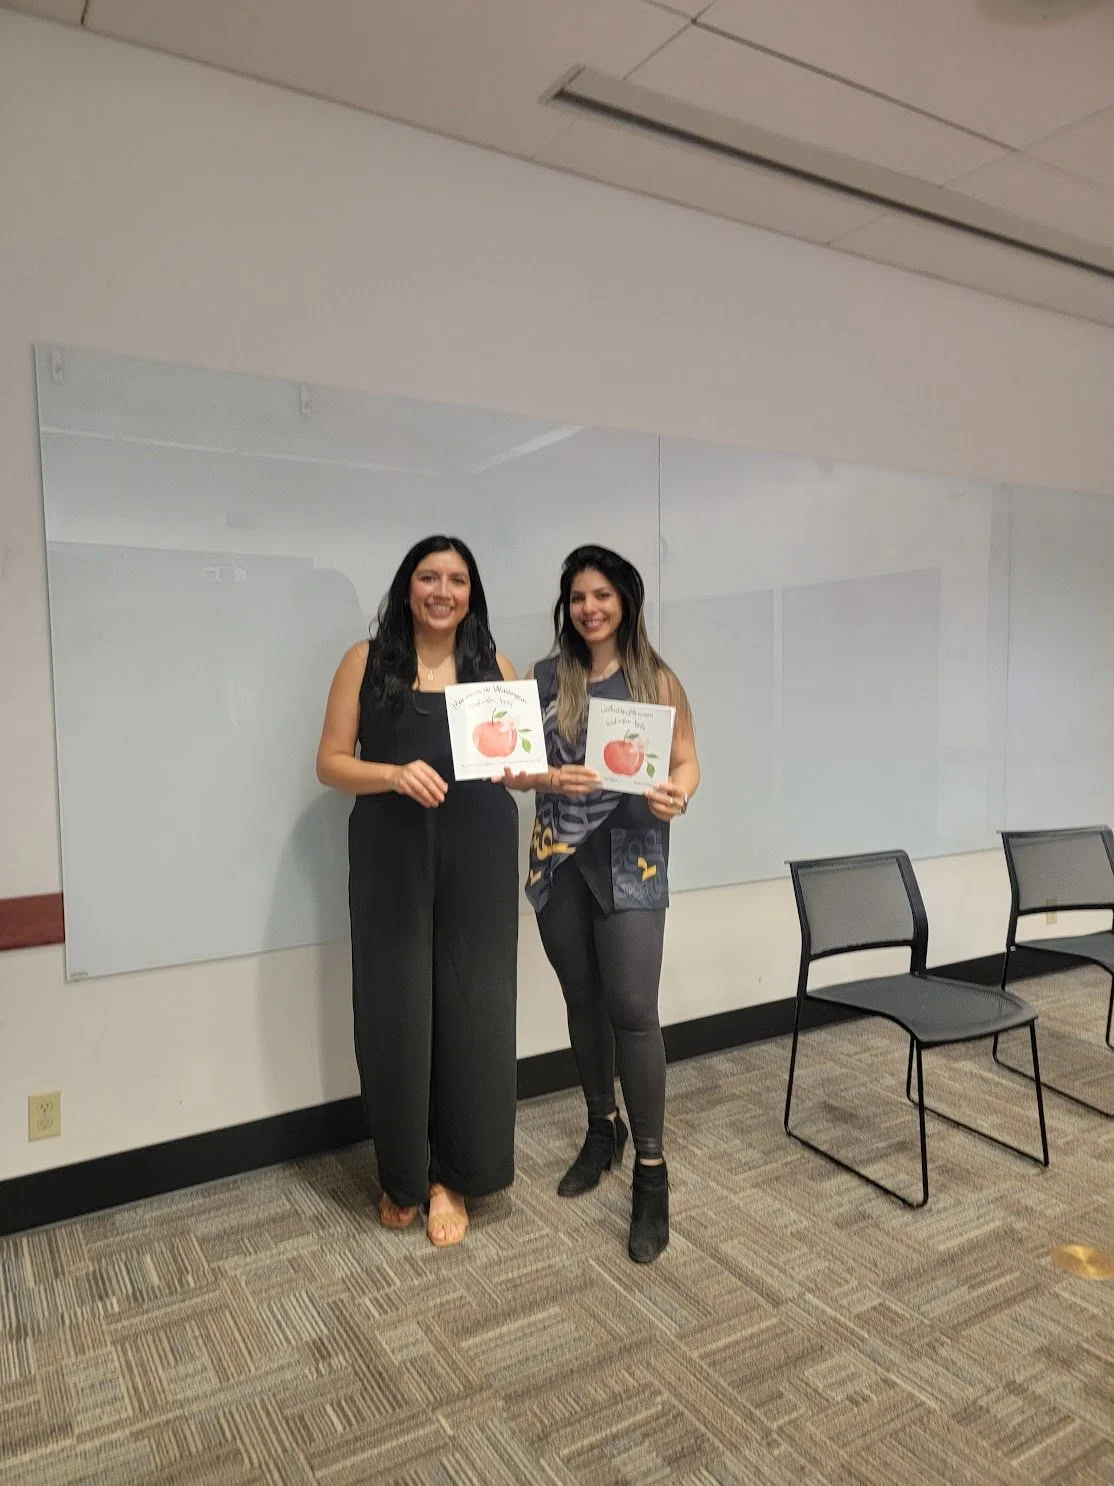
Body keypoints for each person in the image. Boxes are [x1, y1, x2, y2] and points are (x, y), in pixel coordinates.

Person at [316, 535, 520, 1247]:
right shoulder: (365, 662)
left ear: (472, 592)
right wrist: (393, 773)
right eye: (429, 577)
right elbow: (331, 764)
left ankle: (452, 1177)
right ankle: (401, 1172)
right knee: (395, 1009)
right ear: (407, 587)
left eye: (457, 579)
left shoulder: (492, 667)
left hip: (480, 847)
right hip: (389, 852)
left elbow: (518, 765)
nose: (443, 591)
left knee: (474, 1007)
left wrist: (524, 773)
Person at [504, 545, 699, 1263]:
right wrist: (548, 775)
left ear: (626, 602)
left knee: (633, 1010)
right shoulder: (546, 677)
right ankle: (601, 1128)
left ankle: (652, 1172)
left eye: (603, 595)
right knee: (582, 1003)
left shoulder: (656, 678)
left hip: (633, 856)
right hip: (560, 856)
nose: (590, 608)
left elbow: (686, 760)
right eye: (578, 596)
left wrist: (680, 792)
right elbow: (513, 771)